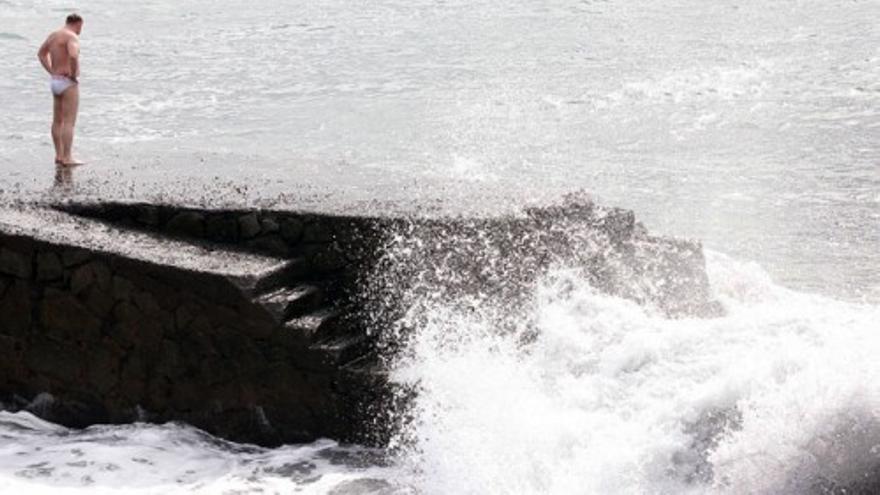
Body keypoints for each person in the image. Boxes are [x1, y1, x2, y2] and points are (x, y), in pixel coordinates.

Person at [37, 13, 84, 166]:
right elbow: (73, 54)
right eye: (81, 27)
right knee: (69, 122)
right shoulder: (71, 36)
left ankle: (58, 155)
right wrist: (73, 74)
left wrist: (51, 71)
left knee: (57, 121)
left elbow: (41, 54)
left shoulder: (53, 36)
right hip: (67, 82)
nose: (80, 30)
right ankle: (68, 157)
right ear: (78, 23)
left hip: (55, 81)